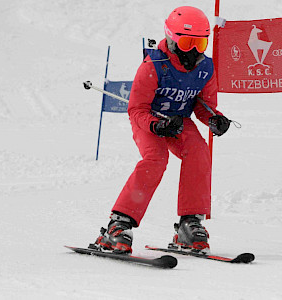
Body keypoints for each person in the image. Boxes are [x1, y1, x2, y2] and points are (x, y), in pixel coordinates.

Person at [91, 6, 230, 254]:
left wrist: (214, 119)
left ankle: (189, 223)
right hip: (149, 119)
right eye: (188, 42)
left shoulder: (205, 68)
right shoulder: (153, 65)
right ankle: (119, 223)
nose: (194, 51)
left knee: (199, 151)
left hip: (177, 121)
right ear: (171, 37)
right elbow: (136, 109)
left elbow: (203, 104)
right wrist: (157, 125)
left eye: (200, 43)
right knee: (156, 158)